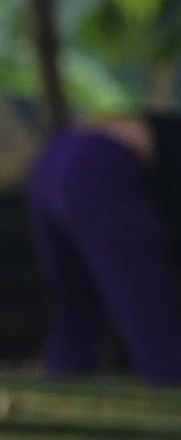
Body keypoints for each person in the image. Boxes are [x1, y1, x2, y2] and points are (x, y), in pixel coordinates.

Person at [26, 102, 181, 382]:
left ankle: (57, 406)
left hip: (51, 163)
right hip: (97, 168)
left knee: (77, 323)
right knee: (158, 338)